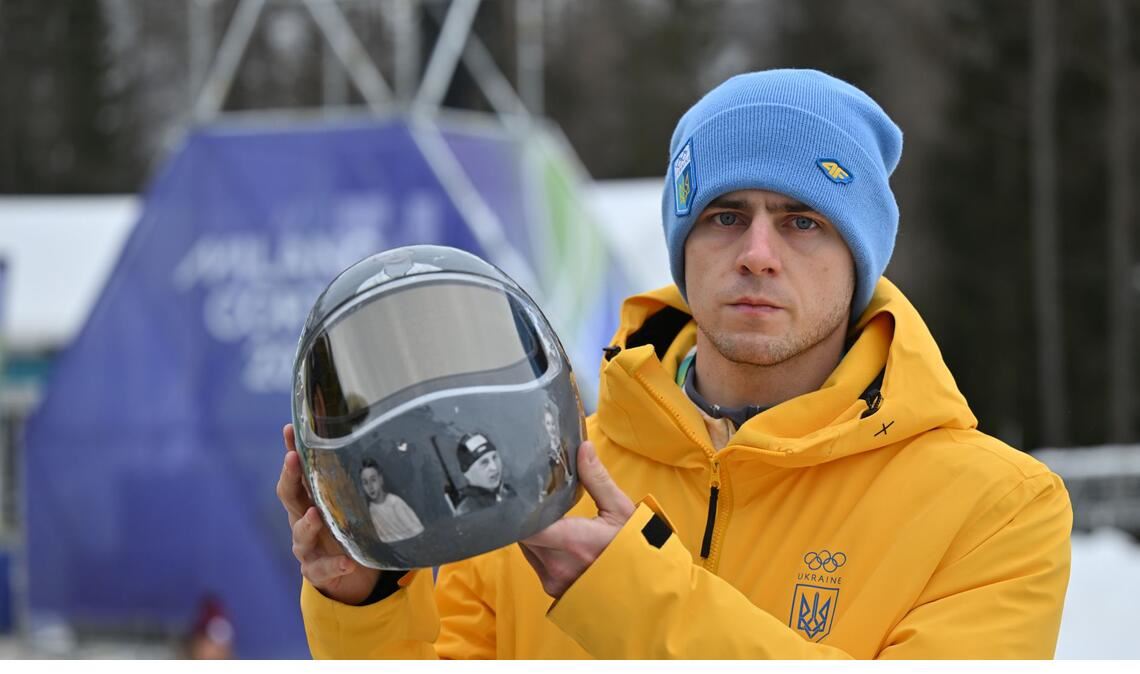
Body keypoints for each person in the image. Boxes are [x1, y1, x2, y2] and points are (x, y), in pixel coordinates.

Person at [276, 69, 1072, 659]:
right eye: (725, 216)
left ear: (859, 256)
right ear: (683, 245)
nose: (758, 255)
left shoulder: (997, 507)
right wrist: (366, 600)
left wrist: (632, 596)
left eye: (802, 222)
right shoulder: (537, 475)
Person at [360, 458, 423, 543]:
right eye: (365, 482)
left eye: (373, 480)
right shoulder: (371, 510)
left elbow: (417, 531)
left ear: (381, 479)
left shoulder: (395, 502)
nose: (370, 486)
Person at [452, 433, 516, 515]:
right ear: (467, 473)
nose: (494, 467)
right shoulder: (467, 510)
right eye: (484, 462)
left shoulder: (508, 492)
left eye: (494, 457)